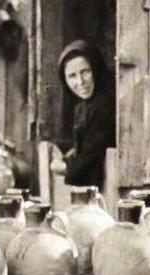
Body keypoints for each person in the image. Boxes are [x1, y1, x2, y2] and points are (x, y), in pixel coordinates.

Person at [52, 39, 115, 188]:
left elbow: (94, 152)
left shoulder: (106, 103)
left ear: (96, 69)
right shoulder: (82, 107)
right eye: (72, 76)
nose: (80, 82)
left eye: (85, 72)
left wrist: (66, 168)